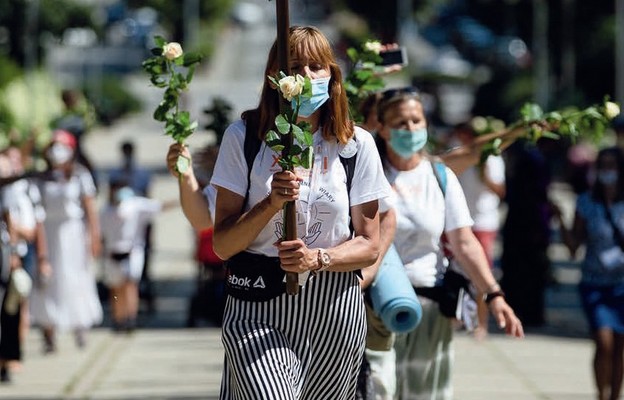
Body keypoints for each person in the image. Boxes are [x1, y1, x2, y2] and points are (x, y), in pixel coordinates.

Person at [166, 25, 391, 399]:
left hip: (333, 309)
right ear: (276, 77)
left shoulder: (356, 144)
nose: (305, 76)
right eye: (295, 66)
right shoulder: (245, 137)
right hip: (256, 301)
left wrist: (317, 258)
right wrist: (271, 203)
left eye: (316, 67)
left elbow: (370, 244)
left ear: (332, 76)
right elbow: (222, 243)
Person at [370, 87, 523, 399]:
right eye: (400, 122)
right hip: (374, 311)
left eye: (416, 120)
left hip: (429, 311)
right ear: (382, 129)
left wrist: (494, 294)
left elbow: (464, 242)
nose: (410, 128)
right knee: (377, 391)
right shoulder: (367, 174)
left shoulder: (439, 176)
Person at [555, 147, 624, 400]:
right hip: (594, 283)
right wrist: (560, 221)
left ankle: (615, 395)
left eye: (612, 165)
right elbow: (574, 247)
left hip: (622, 283)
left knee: (620, 346)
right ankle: (601, 394)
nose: (608, 171)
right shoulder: (586, 202)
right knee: (604, 342)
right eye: (603, 166)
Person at [29, 130, 103, 353]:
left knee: (76, 277)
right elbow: (37, 214)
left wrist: (94, 237)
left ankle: (80, 326)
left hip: (74, 234)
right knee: (48, 280)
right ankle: (49, 331)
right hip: (49, 235)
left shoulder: (79, 175)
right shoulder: (41, 179)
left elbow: (89, 208)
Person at [450, 121, 506, 339]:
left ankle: (481, 324)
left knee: (481, 273)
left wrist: (484, 173)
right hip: (458, 220)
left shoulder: (492, 157)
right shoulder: (457, 154)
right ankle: (456, 316)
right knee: (455, 271)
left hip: (483, 221)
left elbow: (501, 190)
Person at [100, 179, 176, 332]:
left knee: (130, 286)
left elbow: (159, 207)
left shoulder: (135, 205)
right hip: (112, 254)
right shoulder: (105, 211)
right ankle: (118, 319)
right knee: (116, 289)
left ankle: (130, 318)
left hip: (132, 252)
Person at [109, 140, 155, 313]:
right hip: (120, 222)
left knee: (142, 264)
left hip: (139, 219)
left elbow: (148, 197)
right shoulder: (115, 173)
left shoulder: (142, 173)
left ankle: (141, 301)